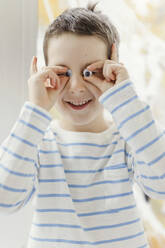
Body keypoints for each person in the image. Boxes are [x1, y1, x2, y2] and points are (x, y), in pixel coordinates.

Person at [0, 2, 165, 247]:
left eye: (91, 72)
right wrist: (35, 111)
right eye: (63, 73)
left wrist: (124, 99)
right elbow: (5, 198)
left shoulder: (127, 139)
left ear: (114, 71)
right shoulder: (38, 141)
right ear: (46, 74)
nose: (77, 87)